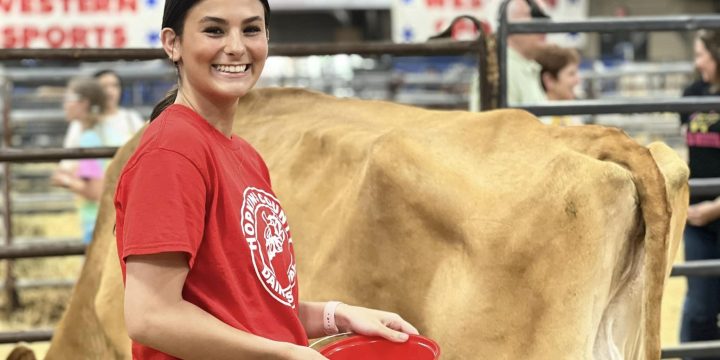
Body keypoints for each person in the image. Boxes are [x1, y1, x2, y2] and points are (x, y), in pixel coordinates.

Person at [114, 0, 419, 359]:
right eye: (214, 30)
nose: (236, 47)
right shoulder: (172, 151)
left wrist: (339, 315)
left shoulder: (243, 154)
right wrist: (283, 355)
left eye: (251, 29)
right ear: (172, 43)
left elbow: (248, 309)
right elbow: (151, 316)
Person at [679, 29, 720, 354]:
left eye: (700, 54)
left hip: (713, 210)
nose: (697, 62)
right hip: (698, 219)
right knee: (699, 308)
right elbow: (687, 150)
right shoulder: (692, 93)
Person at [51, 77, 108, 243]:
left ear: (83, 103)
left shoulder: (89, 140)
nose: (65, 105)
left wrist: (65, 180)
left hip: (95, 222)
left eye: (69, 99)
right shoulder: (92, 134)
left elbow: (96, 191)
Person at [469, 0, 548, 111]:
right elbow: (492, 125)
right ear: (510, 25)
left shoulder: (521, 67)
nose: (544, 28)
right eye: (535, 17)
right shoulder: (500, 71)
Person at [63, 69, 145, 149]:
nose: (110, 91)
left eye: (115, 85)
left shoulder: (131, 118)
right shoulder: (82, 123)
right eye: (104, 86)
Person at [534, 44, 583, 126]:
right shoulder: (538, 120)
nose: (577, 80)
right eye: (571, 74)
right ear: (549, 80)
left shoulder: (570, 113)